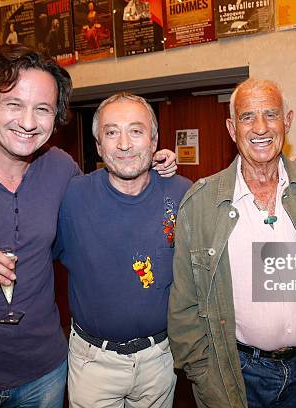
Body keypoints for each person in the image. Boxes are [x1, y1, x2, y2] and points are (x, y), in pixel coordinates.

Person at [0, 44, 176, 406]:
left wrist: (154, 162)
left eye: (42, 109)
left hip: (44, 375)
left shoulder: (61, 169)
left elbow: (109, 191)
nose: (28, 122)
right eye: (13, 104)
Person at [168, 78, 296, 408]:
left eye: (271, 115)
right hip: (235, 377)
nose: (260, 127)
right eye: (247, 117)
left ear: (287, 121)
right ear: (232, 128)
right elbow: (184, 306)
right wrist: (203, 375)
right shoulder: (199, 205)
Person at [54, 93, 192, 408]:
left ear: (154, 141)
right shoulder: (71, 198)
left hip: (160, 358)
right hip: (92, 363)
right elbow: (29, 249)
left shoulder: (183, 193)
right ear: (99, 145)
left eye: (136, 131)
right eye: (112, 132)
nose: (124, 144)